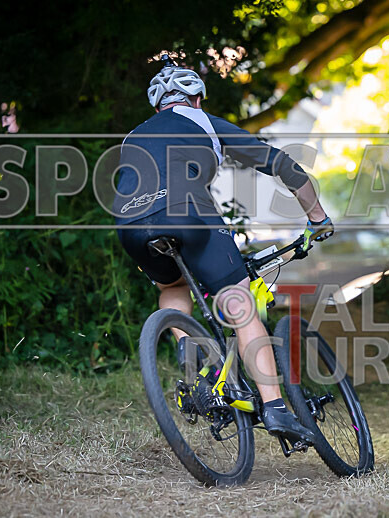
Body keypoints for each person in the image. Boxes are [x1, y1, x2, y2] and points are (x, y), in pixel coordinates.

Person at [114, 55, 334, 444]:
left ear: (157, 105)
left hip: (130, 223)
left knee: (173, 287)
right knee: (239, 301)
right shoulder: (203, 121)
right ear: (197, 98)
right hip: (188, 214)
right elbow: (282, 166)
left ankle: (191, 359)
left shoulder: (133, 135)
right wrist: (317, 217)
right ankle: (276, 407)